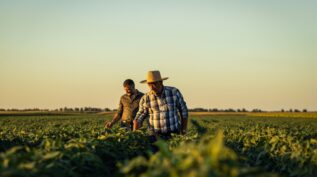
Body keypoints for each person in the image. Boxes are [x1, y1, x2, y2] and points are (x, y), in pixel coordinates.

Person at [133, 70, 188, 140]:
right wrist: (135, 135)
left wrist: (183, 131)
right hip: (154, 137)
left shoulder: (174, 92)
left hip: (173, 135)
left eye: (154, 84)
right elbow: (139, 118)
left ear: (161, 82)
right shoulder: (145, 98)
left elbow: (184, 111)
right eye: (149, 84)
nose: (152, 87)